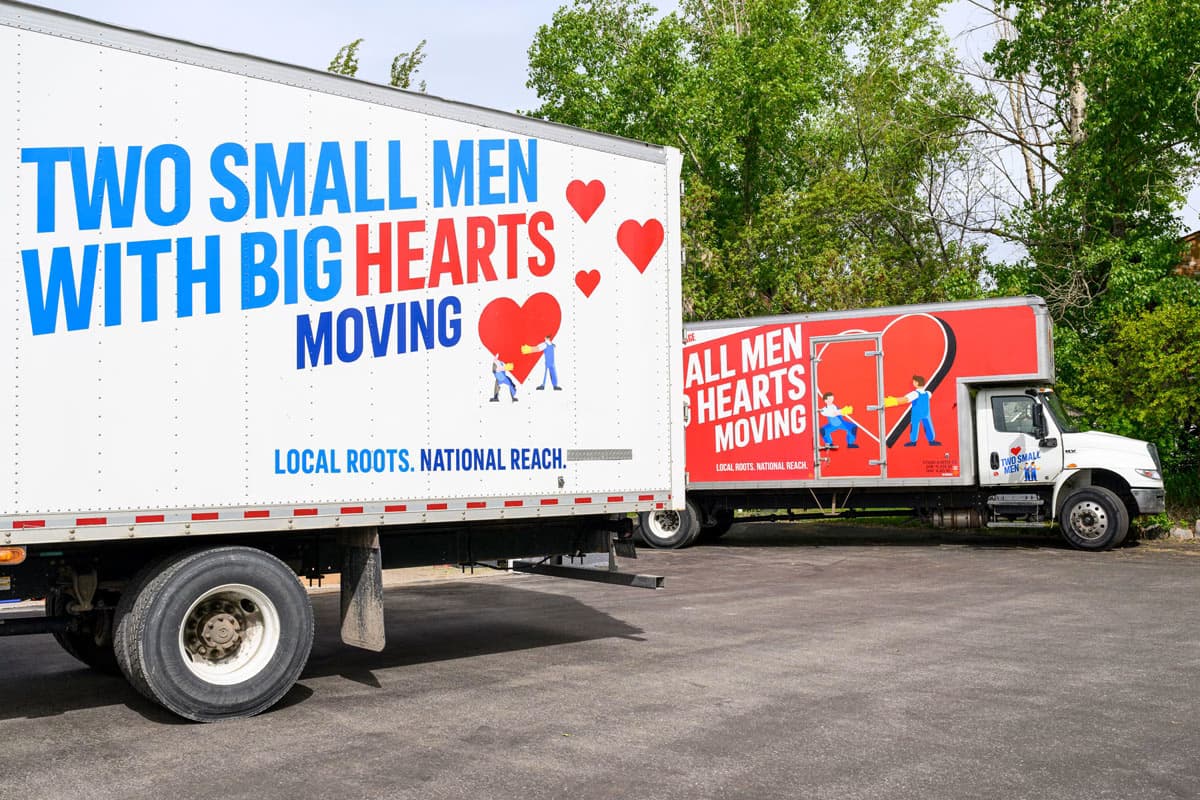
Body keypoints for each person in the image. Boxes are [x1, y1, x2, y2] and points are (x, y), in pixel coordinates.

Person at [885, 374, 941, 446]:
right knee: (928, 426)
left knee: (915, 427)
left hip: (916, 414)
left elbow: (904, 400)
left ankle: (913, 442)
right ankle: (931, 441)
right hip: (925, 413)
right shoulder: (928, 393)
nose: (913, 383)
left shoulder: (915, 394)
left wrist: (890, 401)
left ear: (917, 383)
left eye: (914, 382)